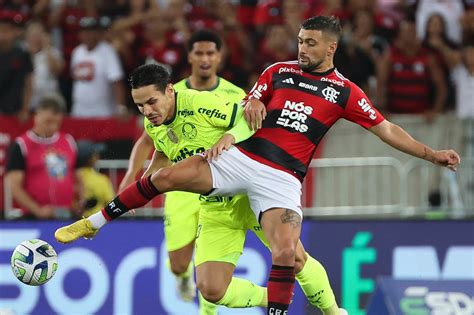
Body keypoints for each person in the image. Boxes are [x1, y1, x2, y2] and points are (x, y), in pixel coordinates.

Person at [56, 16, 461, 315]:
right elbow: (249, 103)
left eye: (311, 44)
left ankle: (332, 312)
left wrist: (432, 153)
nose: (302, 49)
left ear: (331, 48)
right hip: (243, 161)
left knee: (290, 255)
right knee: (166, 186)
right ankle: (95, 222)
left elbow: (386, 129)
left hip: (282, 178)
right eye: (300, 41)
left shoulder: (346, 93)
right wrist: (247, 111)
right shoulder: (278, 71)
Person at [118, 30, 249, 311]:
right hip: (180, 187)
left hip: (218, 187)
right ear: (189, 56)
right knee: (178, 263)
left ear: (219, 56)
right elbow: (148, 142)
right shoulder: (165, 93)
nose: (204, 59)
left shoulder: (235, 94)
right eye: (199, 53)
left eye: (210, 53)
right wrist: (131, 180)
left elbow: (247, 129)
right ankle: (182, 276)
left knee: (209, 261)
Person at [5, 94, 81, 219]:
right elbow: (13, 184)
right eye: (48, 121)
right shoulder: (22, 144)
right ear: (37, 116)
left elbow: (78, 176)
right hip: (33, 217)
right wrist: (37, 210)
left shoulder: (68, 141)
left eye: (57, 122)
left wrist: (81, 199)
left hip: (66, 214)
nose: (53, 126)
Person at [76, 140, 114, 218]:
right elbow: (111, 204)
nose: (98, 157)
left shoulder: (69, 178)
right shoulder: (101, 179)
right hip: (96, 222)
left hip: (71, 222)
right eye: (95, 155)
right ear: (88, 158)